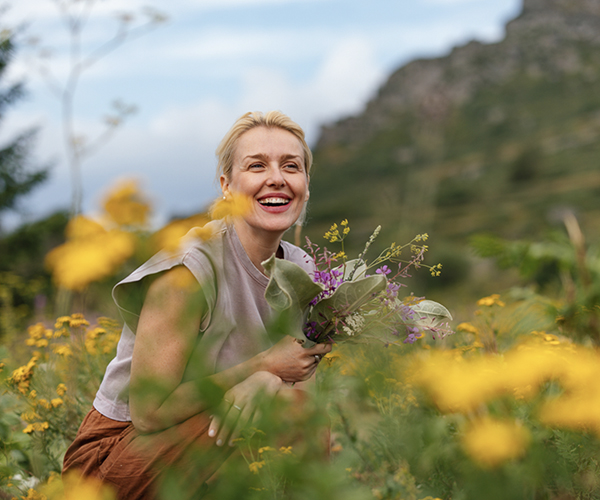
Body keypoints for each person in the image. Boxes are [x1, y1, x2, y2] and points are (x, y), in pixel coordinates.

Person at [62, 111, 332, 499]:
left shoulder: (301, 271)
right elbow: (149, 412)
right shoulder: (190, 268)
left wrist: (268, 382)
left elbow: (302, 387)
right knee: (283, 410)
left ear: (305, 184)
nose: (277, 177)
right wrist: (261, 368)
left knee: (302, 413)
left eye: (291, 166)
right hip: (112, 461)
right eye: (257, 165)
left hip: (204, 444)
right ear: (226, 185)